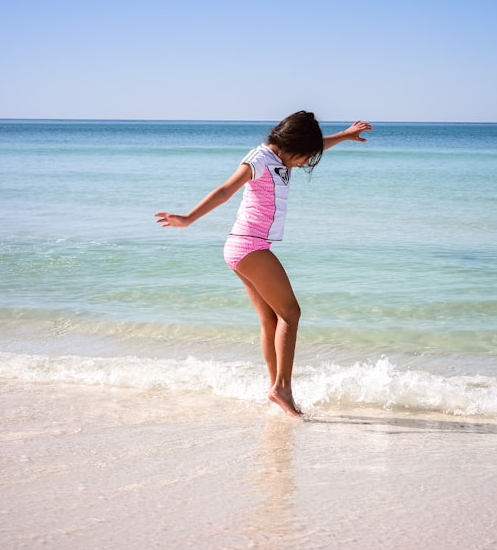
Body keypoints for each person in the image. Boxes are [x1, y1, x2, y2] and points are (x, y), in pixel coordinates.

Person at [155, 111, 372, 417]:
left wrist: (344, 136)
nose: (305, 162)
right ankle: (282, 388)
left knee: (271, 320)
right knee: (291, 313)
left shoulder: (282, 158)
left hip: (244, 247)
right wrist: (188, 218)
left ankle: (276, 389)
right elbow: (225, 190)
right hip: (249, 247)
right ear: (293, 145)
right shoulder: (259, 158)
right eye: (306, 157)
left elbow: (314, 143)